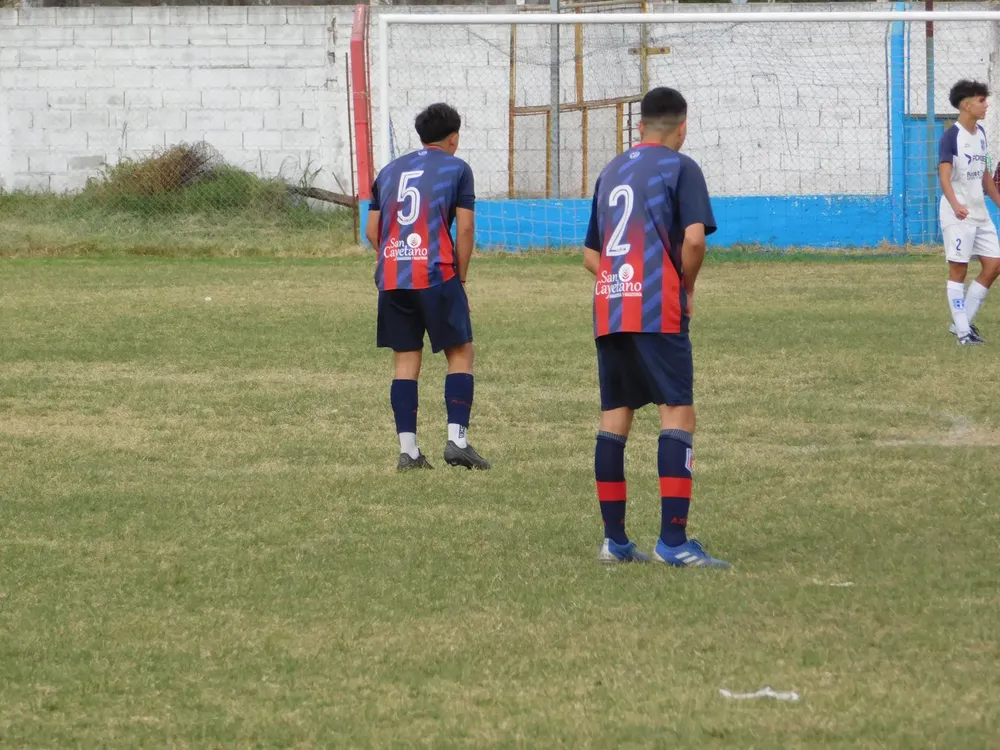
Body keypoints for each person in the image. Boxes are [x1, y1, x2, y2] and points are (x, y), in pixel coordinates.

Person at [583, 86, 728, 567]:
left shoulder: (610, 171)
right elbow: (693, 241)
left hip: (610, 304)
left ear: (638, 125)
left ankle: (614, 541)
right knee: (677, 412)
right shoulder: (681, 168)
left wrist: (619, 276)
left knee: (616, 414)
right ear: (682, 128)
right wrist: (684, 287)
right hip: (655, 305)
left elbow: (590, 254)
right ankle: (673, 542)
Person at [366, 103, 490, 471]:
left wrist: (394, 256)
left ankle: (409, 451)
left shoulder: (388, 170)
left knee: (405, 360)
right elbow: (464, 229)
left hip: (392, 276)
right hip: (435, 272)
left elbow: (372, 231)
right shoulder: (457, 168)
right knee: (460, 353)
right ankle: (457, 441)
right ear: (454, 137)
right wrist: (462, 279)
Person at [938, 79, 1000, 345]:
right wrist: (956, 205)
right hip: (958, 213)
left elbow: (985, 175)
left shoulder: (982, 133)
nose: (986, 105)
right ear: (966, 104)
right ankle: (964, 334)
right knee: (958, 271)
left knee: (994, 264)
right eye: (981, 100)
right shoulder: (951, 136)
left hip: (979, 212)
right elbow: (943, 176)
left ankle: (960, 325)